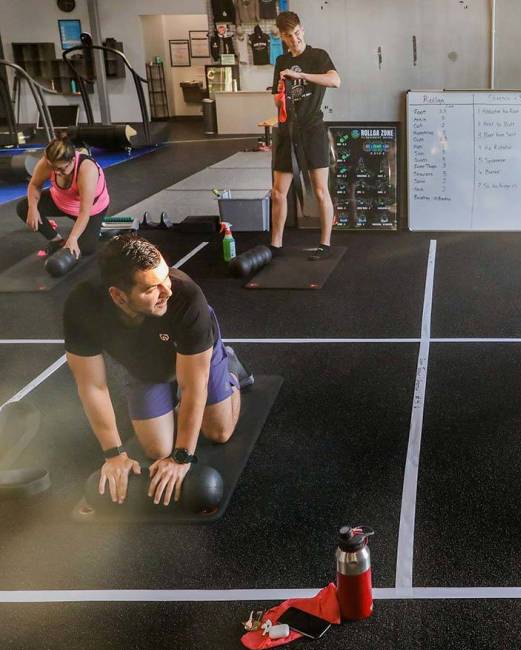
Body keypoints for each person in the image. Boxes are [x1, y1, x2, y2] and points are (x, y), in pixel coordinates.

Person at [63, 234, 252, 506]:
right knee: (156, 449)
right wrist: (114, 454)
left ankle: (230, 372)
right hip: (146, 366)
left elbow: (192, 386)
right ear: (118, 296)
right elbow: (92, 385)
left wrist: (182, 456)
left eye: (166, 277)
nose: (168, 290)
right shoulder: (82, 307)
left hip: (192, 350)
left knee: (218, 432)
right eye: (153, 288)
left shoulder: (186, 296)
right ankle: (170, 389)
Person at [269, 10, 340, 261]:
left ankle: (325, 244)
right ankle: (275, 245)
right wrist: (279, 93)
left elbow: (335, 81)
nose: (295, 39)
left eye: (297, 33)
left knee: (320, 191)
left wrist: (300, 75)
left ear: (303, 30)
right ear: (282, 37)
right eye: (289, 36)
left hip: (312, 129)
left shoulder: (318, 56)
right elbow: (279, 104)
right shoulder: (280, 61)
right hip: (288, 131)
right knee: (278, 192)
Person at [16, 136, 109, 259]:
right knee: (24, 207)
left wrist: (73, 238)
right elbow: (34, 185)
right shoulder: (47, 163)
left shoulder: (87, 170)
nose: (57, 172)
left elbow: (84, 212)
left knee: (86, 248)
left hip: (91, 210)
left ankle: (94, 227)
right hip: (61, 201)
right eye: (54, 168)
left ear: (73, 159)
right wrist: (33, 208)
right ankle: (56, 240)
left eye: (61, 168)